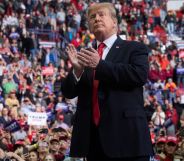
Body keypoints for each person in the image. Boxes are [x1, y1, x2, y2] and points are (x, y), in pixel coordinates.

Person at [62, 2, 153, 161]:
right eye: (92, 17)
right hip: (93, 142)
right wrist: (77, 71)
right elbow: (68, 92)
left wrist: (100, 65)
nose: (96, 19)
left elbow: (139, 75)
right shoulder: (86, 55)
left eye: (101, 15)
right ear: (89, 26)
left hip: (127, 140)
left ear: (115, 22)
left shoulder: (134, 48)